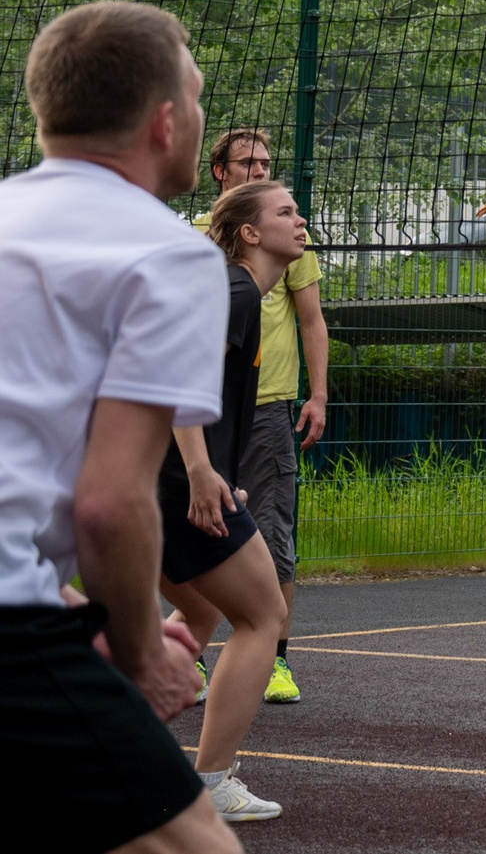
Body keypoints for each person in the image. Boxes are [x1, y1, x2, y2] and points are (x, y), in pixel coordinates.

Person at [0, 0, 244, 853]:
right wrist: (139, 648)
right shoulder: (169, 253)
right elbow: (109, 502)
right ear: (166, 120)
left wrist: (85, 614)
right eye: (201, 97)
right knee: (196, 842)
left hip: (27, 596)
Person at [158, 182, 298, 822]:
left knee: (200, 613)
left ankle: (104, 741)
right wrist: (197, 470)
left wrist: (216, 470)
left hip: (161, 479)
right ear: (249, 231)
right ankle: (211, 783)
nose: (301, 223)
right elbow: (180, 376)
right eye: (286, 212)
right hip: (171, 480)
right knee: (263, 617)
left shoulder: (239, 292)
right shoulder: (239, 290)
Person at [191, 127, 327, 705]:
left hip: (267, 407)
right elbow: (185, 375)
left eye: (267, 162)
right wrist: (195, 465)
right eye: (248, 161)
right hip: (198, 419)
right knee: (194, 541)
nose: (259, 168)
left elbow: (312, 321)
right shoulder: (206, 253)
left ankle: (273, 661)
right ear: (220, 170)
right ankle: (181, 661)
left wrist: (317, 394)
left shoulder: (280, 251)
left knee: (269, 541)